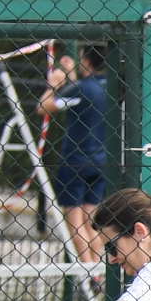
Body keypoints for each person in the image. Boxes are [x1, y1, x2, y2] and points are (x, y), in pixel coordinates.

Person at [45, 43, 114, 263]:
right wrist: (70, 76)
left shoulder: (82, 89)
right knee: (91, 220)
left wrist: (54, 85)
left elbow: (44, 106)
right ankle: (98, 269)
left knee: (75, 221)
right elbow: (79, 96)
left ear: (86, 61)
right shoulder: (110, 86)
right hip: (102, 160)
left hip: (76, 160)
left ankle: (87, 269)